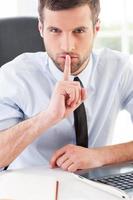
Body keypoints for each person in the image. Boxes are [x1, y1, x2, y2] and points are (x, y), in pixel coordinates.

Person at [0, 0, 133, 172]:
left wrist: (99, 156)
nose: (67, 46)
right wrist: (47, 117)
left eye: (79, 31)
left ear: (96, 28)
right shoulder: (14, 76)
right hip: (33, 190)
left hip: (99, 189)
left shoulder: (119, 69)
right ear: (41, 28)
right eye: (55, 30)